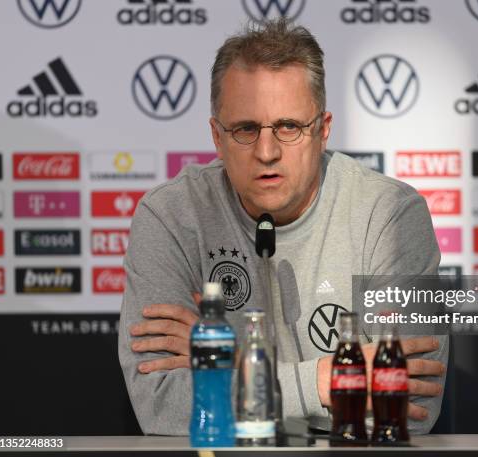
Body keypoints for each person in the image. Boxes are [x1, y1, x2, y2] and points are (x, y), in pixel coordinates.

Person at [118, 19, 447, 436]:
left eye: (289, 127)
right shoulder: (169, 216)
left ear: (323, 131)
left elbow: (408, 406)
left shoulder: (390, 213)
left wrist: (229, 365)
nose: (267, 152)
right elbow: (161, 405)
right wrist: (323, 384)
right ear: (217, 137)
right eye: (246, 129)